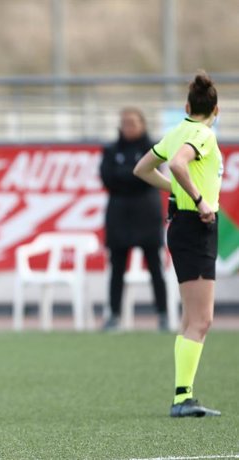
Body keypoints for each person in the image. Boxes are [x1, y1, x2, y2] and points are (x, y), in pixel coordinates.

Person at [133, 71, 222, 417]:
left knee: (192, 320)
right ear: (216, 109)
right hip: (197, 226)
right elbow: (178, 163)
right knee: (202, 319)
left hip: (182, 225)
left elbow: (143, 168)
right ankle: (182, 398)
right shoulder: (203, 134)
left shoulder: (177, 131)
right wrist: (199, 200)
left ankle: (183, 394)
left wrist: (177, 190)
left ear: (187, 105)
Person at [99, 107, 168, 331]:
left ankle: (163, 314)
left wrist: (127, 175)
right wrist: (136, 173)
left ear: (142, 124)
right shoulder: (111, 150)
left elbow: (151, 177)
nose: (128, 126)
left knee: (155, 267)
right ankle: (114, 316)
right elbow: (108, 178)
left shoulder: (154, 149)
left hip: (146, 214)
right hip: (118, 215)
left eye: (133, 122)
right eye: (124, 122)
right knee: (117, 268)